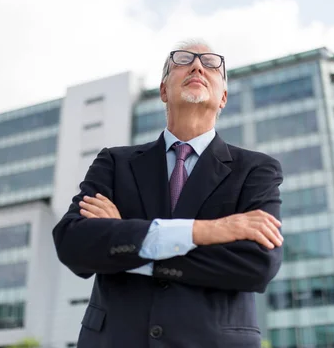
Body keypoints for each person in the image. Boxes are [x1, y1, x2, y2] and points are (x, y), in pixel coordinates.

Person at [52, 39, 284, 348]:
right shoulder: (115, 162)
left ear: (223, 97)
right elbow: (73, 244)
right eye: (183, 60)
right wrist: (208, 231)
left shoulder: (256, 170)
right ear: (163, 91)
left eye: (211, 63)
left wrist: (125, 239)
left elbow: (257, 265)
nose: (198, 66)